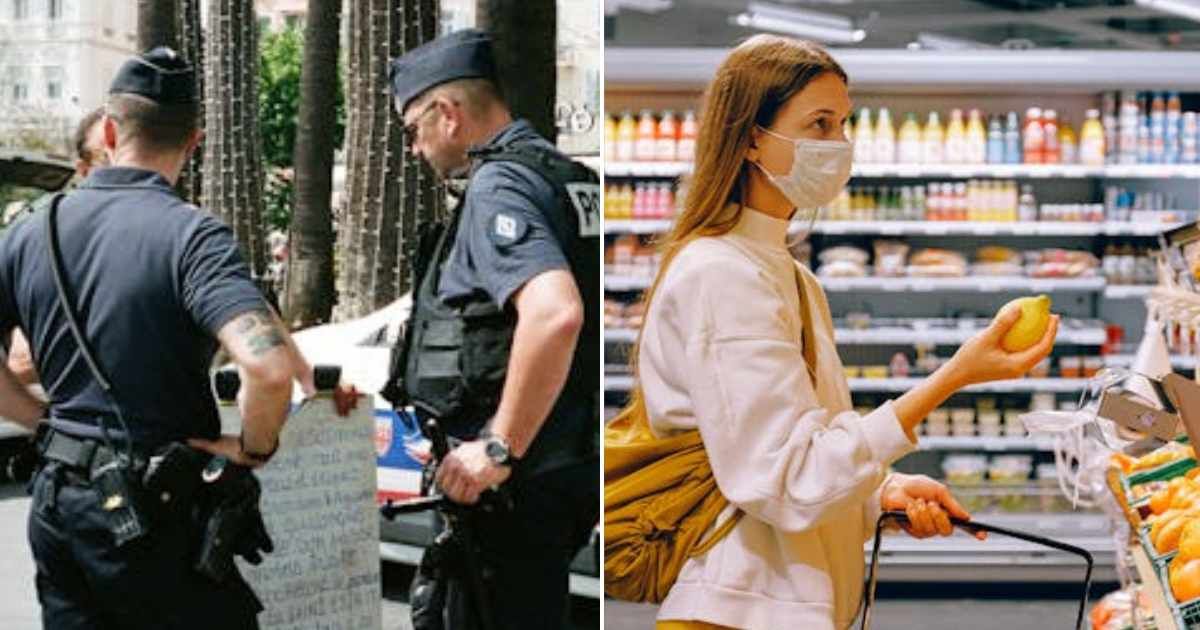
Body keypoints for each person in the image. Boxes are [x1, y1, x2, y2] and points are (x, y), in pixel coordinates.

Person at [623, 35, 1058, 629]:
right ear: (751, 137)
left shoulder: (793, 276)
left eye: (844, 124)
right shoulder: (719, 273)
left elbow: (805, 448)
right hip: (736, 610)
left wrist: (880, 492)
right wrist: (954, 375)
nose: (840, 145)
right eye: (820, 124)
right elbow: (784, 478)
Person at [0, 47, 335, 629]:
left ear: (108, 131)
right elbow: (270, 369)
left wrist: (41, 420)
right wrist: (256, 448)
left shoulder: (31, 228)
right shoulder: (192, 238)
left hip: (59, 501)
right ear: (195, 141)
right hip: (156, 512)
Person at [387, 28, 601, 630]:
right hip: (564, 468)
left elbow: (556, 313)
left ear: (448, 115)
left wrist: (498, 447)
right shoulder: (568, 175)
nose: (414, 149)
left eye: (412, 131)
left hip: (510, 490)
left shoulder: (498, 185)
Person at [7, 107, 109, 384]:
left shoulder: (173, 235)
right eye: (107, 158)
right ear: (83, 170)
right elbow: (21, 362)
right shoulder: (39, 240)